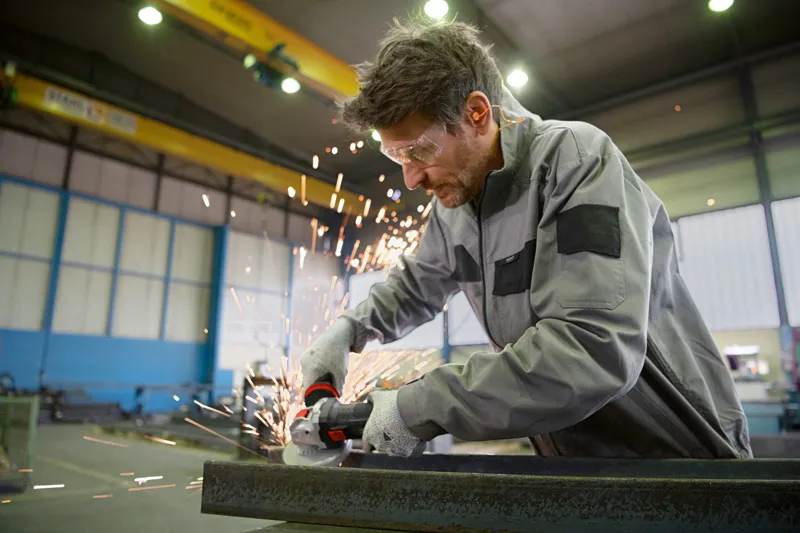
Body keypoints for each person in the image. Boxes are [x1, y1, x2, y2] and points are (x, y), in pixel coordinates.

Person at [301, 17, 752, 459]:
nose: (412, 176)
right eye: (396, 154)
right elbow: (416, 285)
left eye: (419, 150)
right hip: (577, 465)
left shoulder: (575, 162)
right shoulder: (454, 205)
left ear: (476, 114)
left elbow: (591, 350)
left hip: (680, 457)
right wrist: (348, 330)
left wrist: (418, 404)